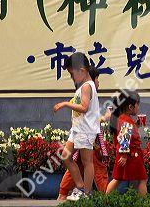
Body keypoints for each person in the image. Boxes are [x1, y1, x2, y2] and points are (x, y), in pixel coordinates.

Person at [57, 66, 110, 200]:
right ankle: (79, 192)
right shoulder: (83, 91)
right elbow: (86, 115)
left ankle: (84, 193)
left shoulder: (88, 91)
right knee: (75, 163)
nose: (98, 83)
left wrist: (105, 117)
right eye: (97, 79)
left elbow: (90, 116)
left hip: (85, 135)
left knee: (93, 170)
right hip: (80, 133)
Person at [53, 52, 100, 200]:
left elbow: (84, 107)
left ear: (82, 70)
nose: (72, 77)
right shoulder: (84, 86)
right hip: (78, 129)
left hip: (85, 129)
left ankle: (86, 192)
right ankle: (80, 187)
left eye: (72, 73)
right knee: (66, 155)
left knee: (87, 162)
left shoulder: (87, 86)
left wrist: (66, 104)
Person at [105, 90, 148, 196]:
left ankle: (105, 200)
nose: (138, 107)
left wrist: (136, 125)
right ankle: (143, 203)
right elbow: (124, 138)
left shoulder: (122, 119)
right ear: (130, 107)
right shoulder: (127, 121)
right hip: (131, 155)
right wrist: (124, 155)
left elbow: (125, 135)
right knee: (143, 179)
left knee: (117, 179)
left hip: (124, 155)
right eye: (137, 104)